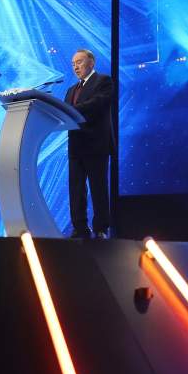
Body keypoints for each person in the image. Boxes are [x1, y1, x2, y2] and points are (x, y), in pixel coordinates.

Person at [64, 49, 114, 239]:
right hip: (75, 146)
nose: (75, 66)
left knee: (98, 188)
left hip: (96, 145)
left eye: (79, 62)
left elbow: (97, 104)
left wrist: (72, 110)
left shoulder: (103, 81)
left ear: (91, 63)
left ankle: (101, 228)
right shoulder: (71, 90)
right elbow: (64, 113)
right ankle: (80, 228)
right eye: (73, 64)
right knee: (76, 189)